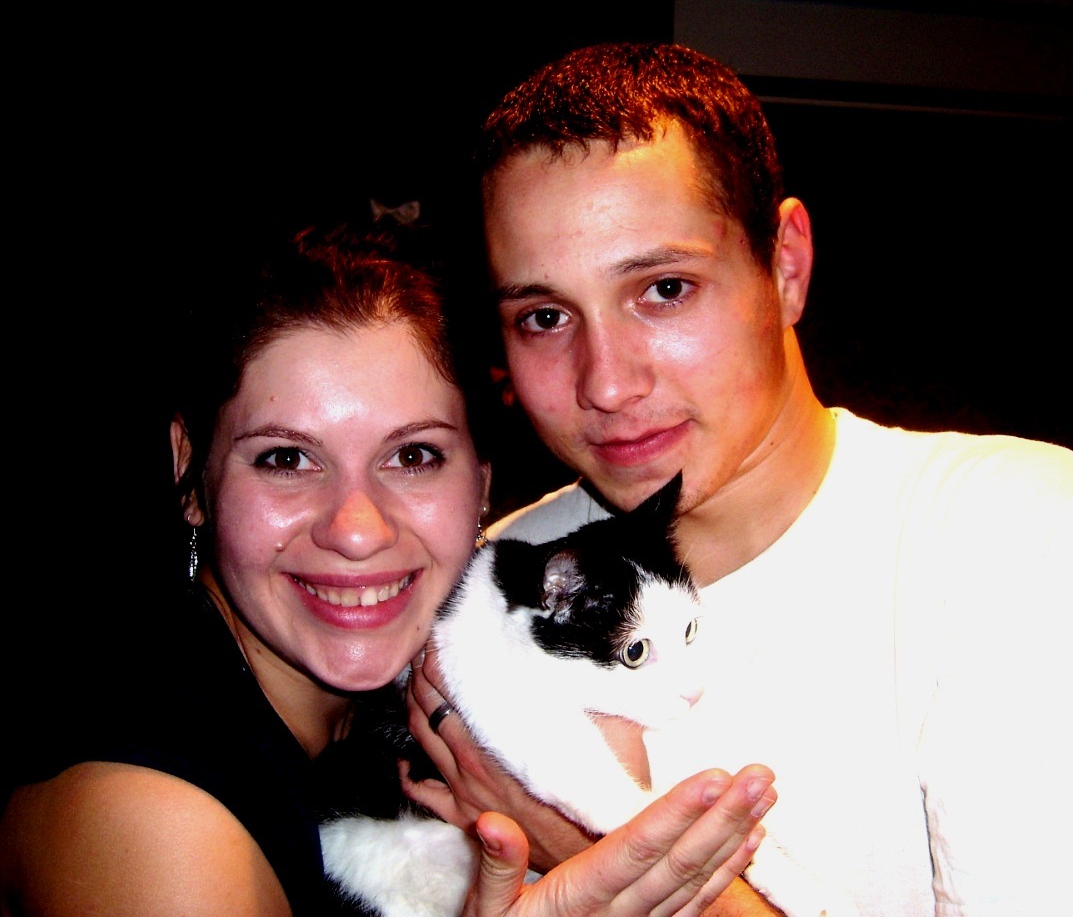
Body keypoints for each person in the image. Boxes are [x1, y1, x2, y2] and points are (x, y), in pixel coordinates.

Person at [401, 42, 1073, 916]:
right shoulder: (489, 589)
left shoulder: (1015, 536)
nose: (607, 384)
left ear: (786, 266)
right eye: (545, 316)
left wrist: (604, 844)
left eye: (664, 288)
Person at [0, 217, 776, 917]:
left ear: (480, 483)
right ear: (190, 471)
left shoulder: (419, 722)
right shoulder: (154, 825)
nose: (356, 530)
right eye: (285, 458)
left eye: (413, 456)